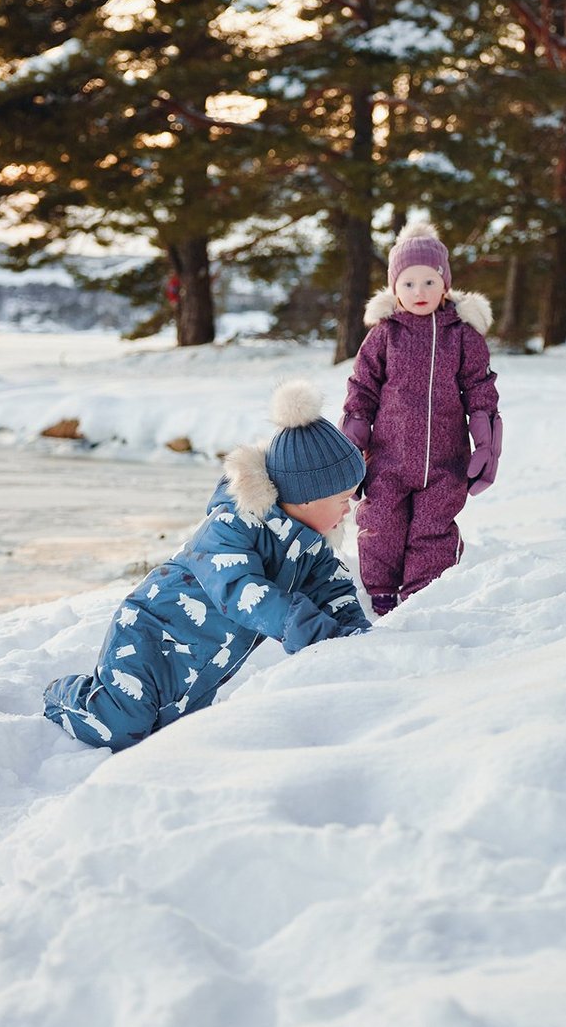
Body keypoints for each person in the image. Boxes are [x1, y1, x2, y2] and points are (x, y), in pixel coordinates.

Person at [43, 382, 370, 752]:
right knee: (119, 727)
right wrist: (304, 627)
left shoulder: (310, 545)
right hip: (148, 633)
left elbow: (334, 590)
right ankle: (62, 695)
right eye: (343, 498)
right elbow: (243, 592)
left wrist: (355, 635)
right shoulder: (232, 526)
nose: (350, 509)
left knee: (171, 737)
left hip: (203, 662)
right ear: (305, 497)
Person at [340, 219, 500, 613]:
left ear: (445, 283)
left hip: (446, 459)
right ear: (395, 288)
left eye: (429, 281)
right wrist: (352, 442)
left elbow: (480, 390)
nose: (420, 292)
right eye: (409, 283)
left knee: (433, 529)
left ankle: (422, 597)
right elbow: (362, 388)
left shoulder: (462, 335)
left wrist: (486, 444)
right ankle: (380, 594)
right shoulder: (384, 334)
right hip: (388, 458)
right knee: (381, 526)